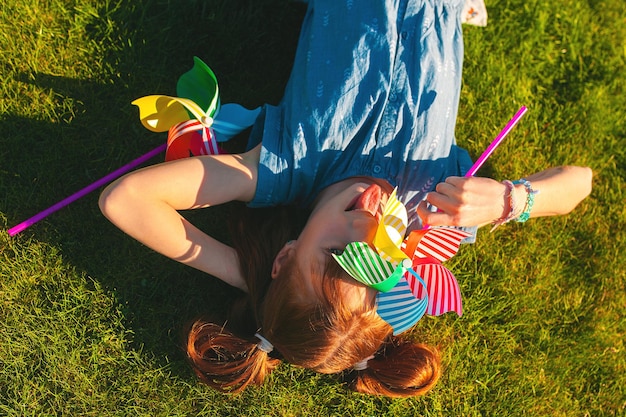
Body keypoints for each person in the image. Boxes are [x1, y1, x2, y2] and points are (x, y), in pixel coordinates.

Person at [99, 0, 592, 397]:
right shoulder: (439, 210)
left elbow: (125, 199)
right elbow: (580, 182)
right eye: (382, 264)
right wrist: (510, 200)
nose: (366, 230)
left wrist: (245, 274)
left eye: (338, 253)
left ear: (286, 254)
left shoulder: (284, 165)